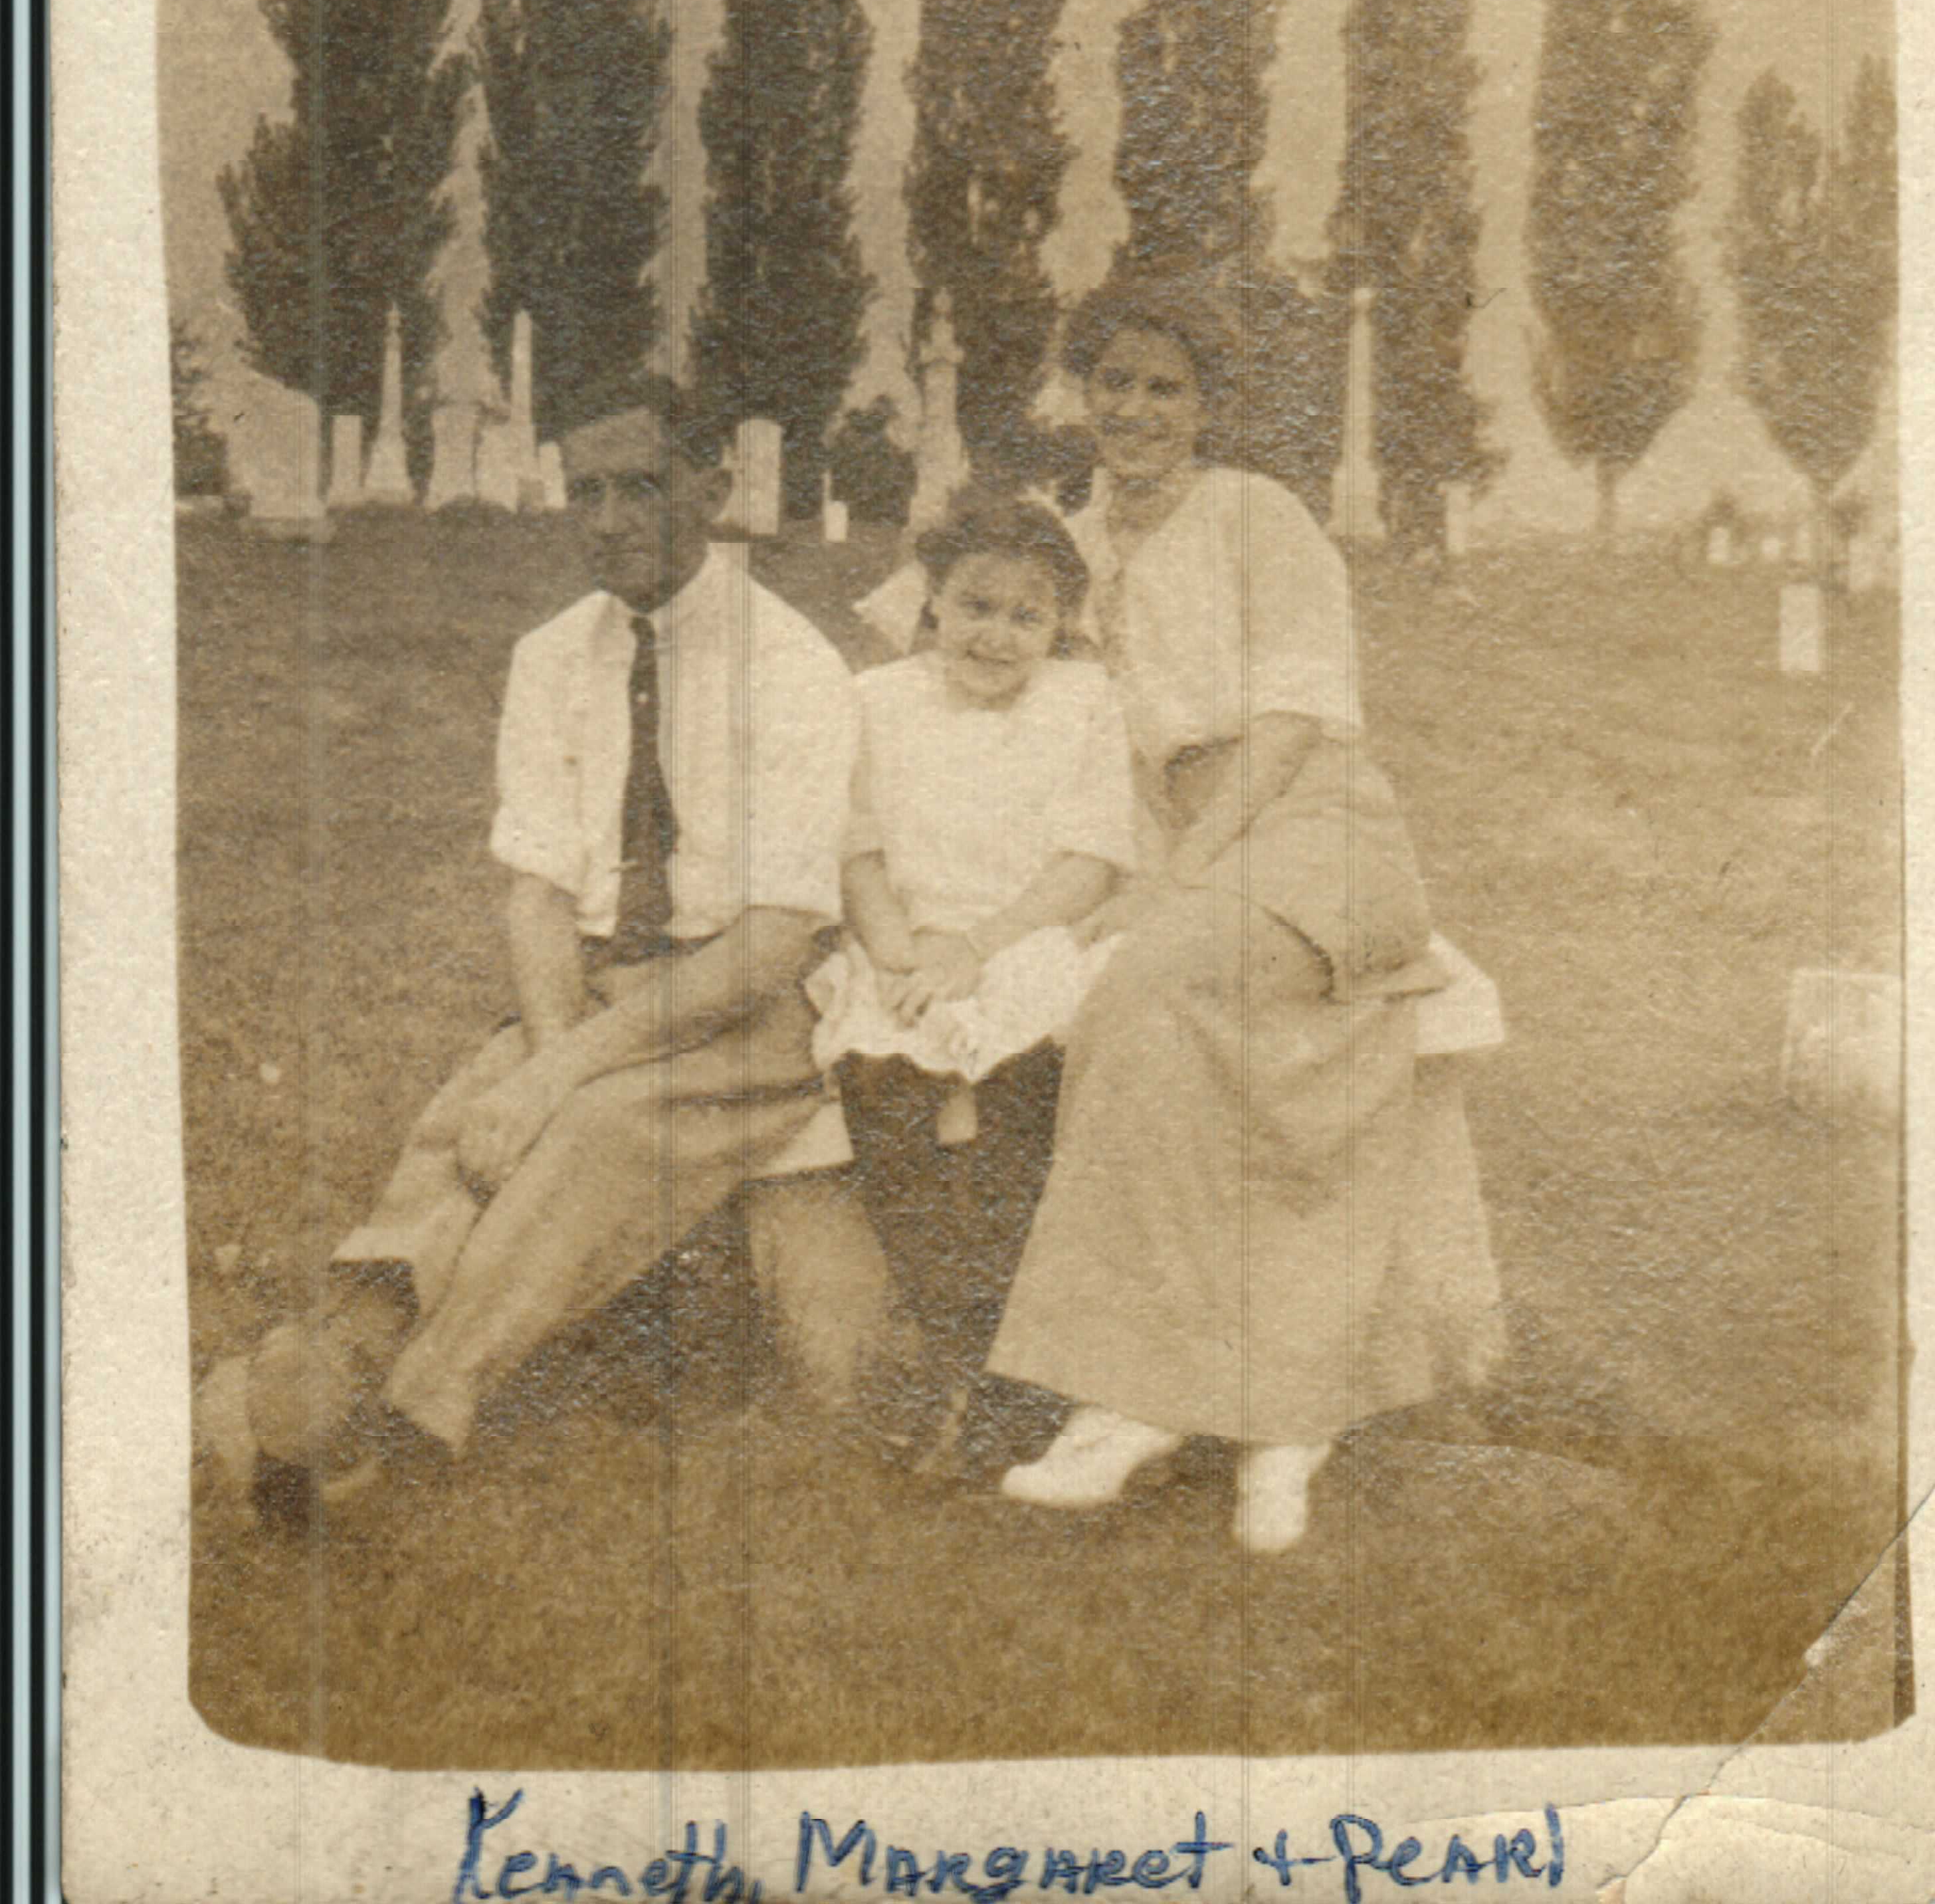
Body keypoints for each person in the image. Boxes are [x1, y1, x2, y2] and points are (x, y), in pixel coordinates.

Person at [233, 368, 870, 1517]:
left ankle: (415, 1412)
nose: (610, 520)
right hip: (597, 987)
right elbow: (538, 891)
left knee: (594, 1129)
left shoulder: (792, 665)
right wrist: (544, 1049)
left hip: (748, 1009)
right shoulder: (552, 654)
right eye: (589, 492)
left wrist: (561, 1074)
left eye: (644, 488)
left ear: (714, 489)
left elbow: (776, 941)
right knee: (468, 1126)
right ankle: (340, 1350)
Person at [991, 276, 1504, 1555]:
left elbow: (1290, 726)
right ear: (1082, 389)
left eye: (1167, 388)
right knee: (1151, 998)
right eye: (1115, 381)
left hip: (1314, 828)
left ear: (1210, 405)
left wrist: (1186, 874)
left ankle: (1153, 1403)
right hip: (1174, 843)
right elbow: (947, 635)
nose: (1136, 410)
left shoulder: (1255, 515)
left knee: (1151, 991)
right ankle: (1233, 1406)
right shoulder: (1067, 536)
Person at [811, 488, 1138, 1449]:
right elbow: (857, 851)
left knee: (1020, 1095)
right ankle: (953, 1346)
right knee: (883, 1080)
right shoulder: (876, 700)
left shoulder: (1083, 701)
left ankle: (1015, 1364)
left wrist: (979, 951)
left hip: (1023, 938)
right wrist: (896, 954)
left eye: (1027, 617)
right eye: (976, 606)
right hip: (902, 941)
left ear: (1061, 625)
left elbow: (1089, 861)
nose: (997, 635)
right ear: (933, 603)